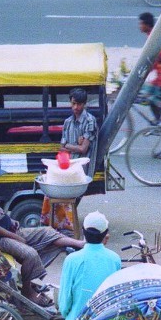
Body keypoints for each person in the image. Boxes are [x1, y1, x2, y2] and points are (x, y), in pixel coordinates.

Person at [0, 157, 85, 307]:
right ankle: (27, 291)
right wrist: (14, 236)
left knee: (48, 232)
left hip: (10, 229)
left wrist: (11, 221)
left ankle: (80, 244)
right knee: (30, 254)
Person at [41, 87, 97, 232]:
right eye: (73, 104)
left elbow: (83, 149)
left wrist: (69, 146)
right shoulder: (68, 122)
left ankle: (68, 231)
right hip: (66, 167)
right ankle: (59, 229)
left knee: (66, 199)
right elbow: (62, 148)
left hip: (80, 170)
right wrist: (74, 145)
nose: (76, 107)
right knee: (51, 195)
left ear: (84, 104)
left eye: (79, 104)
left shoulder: (90, 121)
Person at [58, 211, 122, 320]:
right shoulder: (115, 259)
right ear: (105, 235)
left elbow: (65, 302)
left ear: (83, 232)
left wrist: (68, 314)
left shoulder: (72, 260)